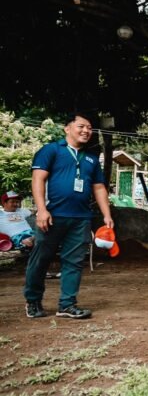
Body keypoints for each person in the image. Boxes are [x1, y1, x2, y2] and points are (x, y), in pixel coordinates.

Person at [24, 113, 114, 320]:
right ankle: (33, 301)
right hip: (52, 216)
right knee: (40, 259)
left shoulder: (91, 158)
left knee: (74, 262)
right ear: (67, 128)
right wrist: (41, 210)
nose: (86, 131)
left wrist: (106, 215)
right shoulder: (51, 150)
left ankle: (67, 304)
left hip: (81, 218)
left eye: (89, 128)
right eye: (81, 126)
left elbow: (99, 187)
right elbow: (38, 179)